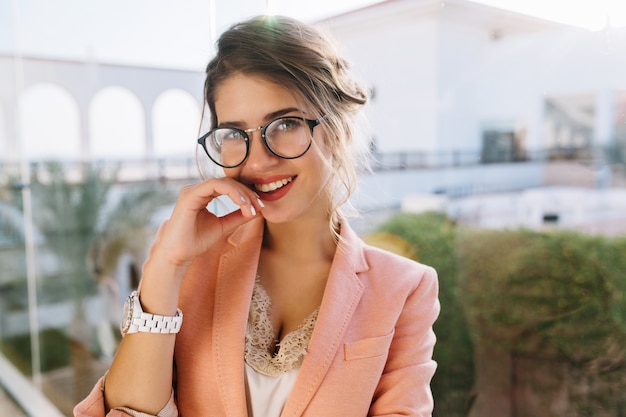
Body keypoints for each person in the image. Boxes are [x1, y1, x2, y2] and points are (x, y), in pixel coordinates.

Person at [74, 14, 439, 417]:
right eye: (234, 134)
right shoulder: (190, 263)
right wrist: (165, 265)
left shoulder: (405, 289)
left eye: (284, 124)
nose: (259, 159)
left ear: (339, 132)